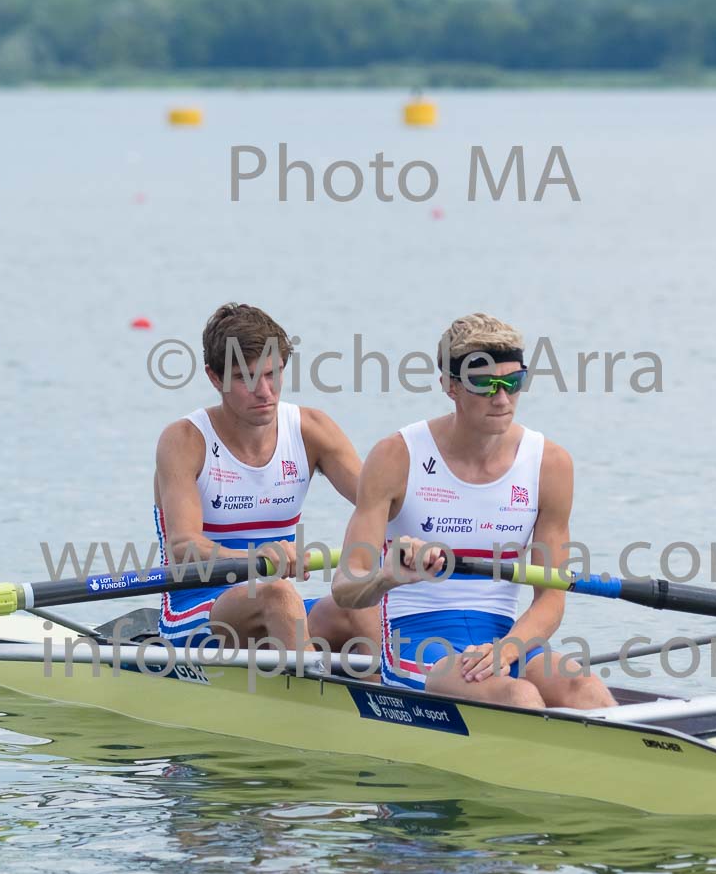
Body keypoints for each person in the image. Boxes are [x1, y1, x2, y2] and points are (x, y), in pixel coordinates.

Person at [333, 313, 614, 709]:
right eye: (484, 385)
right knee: (519, 695)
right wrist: (387, 576)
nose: (502, 399)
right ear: (450, 385)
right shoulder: (396, 456)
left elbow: (551, 599)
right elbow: (345, 587)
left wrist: (507, 650)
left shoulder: (550, 464)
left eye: (513, 383)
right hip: (417, 640)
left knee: (585, 688)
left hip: (504, 638)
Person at [153, 303, 377, 655]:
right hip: (196, 609)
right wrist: (254, 557)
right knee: (277, 593)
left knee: (361, 604)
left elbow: (382, 506)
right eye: (246, 378)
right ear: (215, 378)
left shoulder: (312, 429)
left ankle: (380, 689)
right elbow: (183, 548)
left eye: (273, 374)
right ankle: (308, 687)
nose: (265, 392)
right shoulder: (185, 441)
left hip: (278, 605)